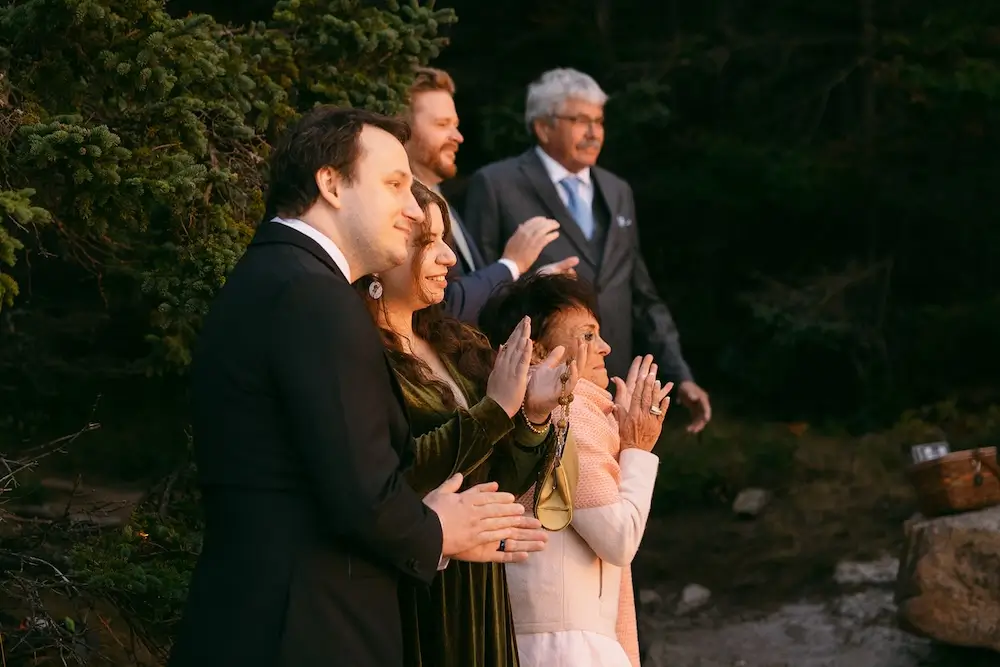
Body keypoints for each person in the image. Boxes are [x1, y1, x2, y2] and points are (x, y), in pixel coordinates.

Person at [168, 107, 535, 667]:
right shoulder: (314, 297)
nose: (413, 210)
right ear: (331, 183)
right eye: (394, 186)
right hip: (303, 630)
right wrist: (438, 531)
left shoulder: (278, 277)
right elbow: (361, 492)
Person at [355, 181, 582, 667]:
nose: (448, 260)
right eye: (427, 243)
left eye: (446, 243)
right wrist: (496, 409)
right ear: (380, 252)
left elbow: (500, 478)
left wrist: (534, 416)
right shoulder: (363, 355)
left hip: (481, 588)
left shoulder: (458, 344)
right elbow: (395, 474)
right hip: (418, 582)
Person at [463, 67, 711, 434]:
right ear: (543, 127)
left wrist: (680, 373)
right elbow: (481, 292)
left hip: (614, 392)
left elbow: (640, 295)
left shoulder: (617, 191)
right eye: (581, 120)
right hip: (539, 401)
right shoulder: (496, 185)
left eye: (599, 121)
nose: (595, 132)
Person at [479, 274, 670, 667]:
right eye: (587, 336)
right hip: (567, 649)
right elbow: (618, 538)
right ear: (534, 352)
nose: (605, 347)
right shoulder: (568, 415)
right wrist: (637, 448)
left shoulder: (529, 410)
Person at [404, 67, 578, 323]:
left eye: (456, 126)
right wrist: (511, 264)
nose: (458, 137)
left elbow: (477, 297)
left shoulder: (440, 198)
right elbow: (445, 305)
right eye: (442, 125)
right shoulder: (406, 208)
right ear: (402, 129)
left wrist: (534, 283)